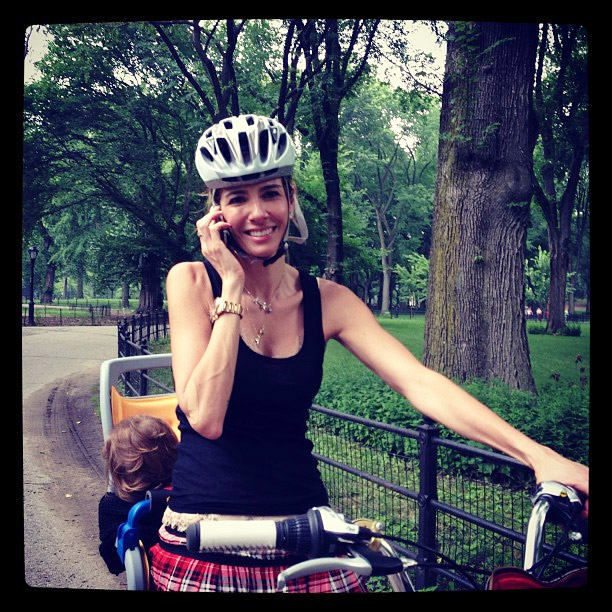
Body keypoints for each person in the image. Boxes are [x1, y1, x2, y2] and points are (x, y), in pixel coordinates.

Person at [151, 114, 589, 593]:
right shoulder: (191, 282)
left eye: (270, 193)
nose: (257, 212)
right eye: (237, 198)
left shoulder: (329, 301)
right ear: (215, 215)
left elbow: (418, 382)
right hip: (204, 537)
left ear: (291, 198)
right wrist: (231, 287)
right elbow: (205, 418)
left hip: (307, 532)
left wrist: (537, 455)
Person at [98, 414, 178, 576]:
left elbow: (114, 563)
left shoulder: (112, 506)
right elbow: (113, 560)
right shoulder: (183, 497)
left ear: (117, 470)